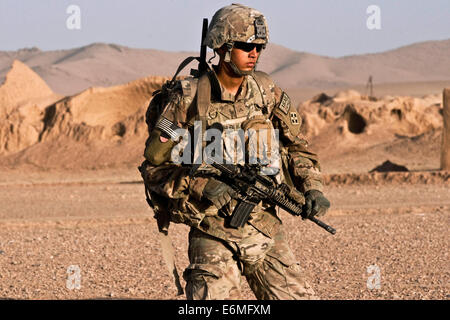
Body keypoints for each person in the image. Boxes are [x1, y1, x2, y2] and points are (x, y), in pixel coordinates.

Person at [140, 3, 330, 300]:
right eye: (245, 45)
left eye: (259, 47)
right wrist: (203, 185)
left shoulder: (265, 91)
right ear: (223, 46)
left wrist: (313, 188)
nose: (254, 53)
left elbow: (297, 147)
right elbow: (154, 170)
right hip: (212, 229)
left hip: (264, 226)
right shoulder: (187, 98)